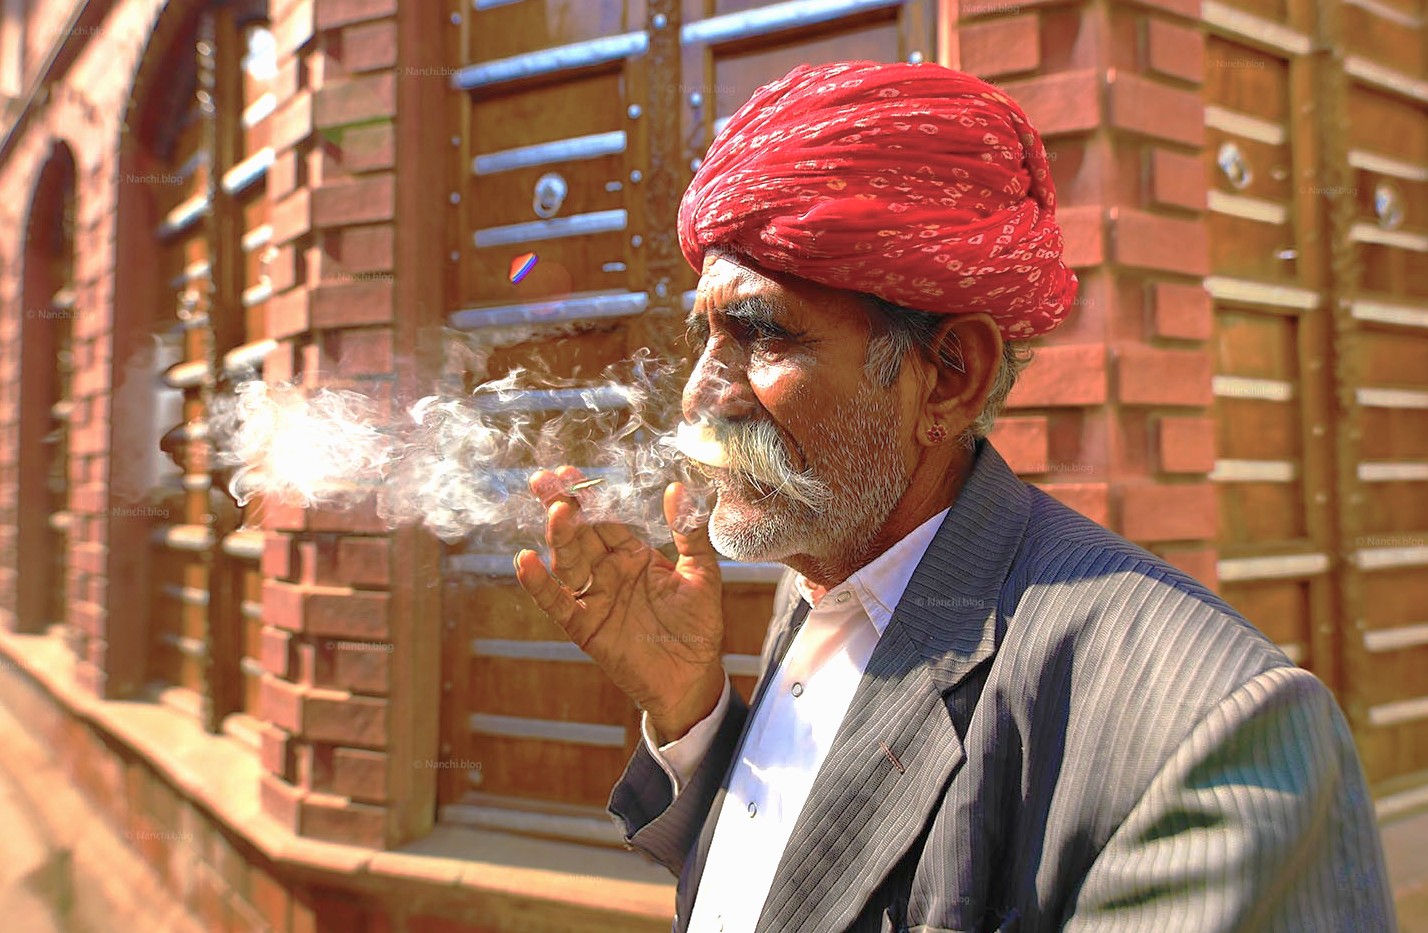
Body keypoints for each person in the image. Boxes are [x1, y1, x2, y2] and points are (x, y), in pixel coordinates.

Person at [513, 60, 1395, 933]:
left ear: (950, 376)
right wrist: (693, 714)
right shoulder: (831, 572)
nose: (702, 398)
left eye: (761, 336)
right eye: (705, 335)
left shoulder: (1203, 732)